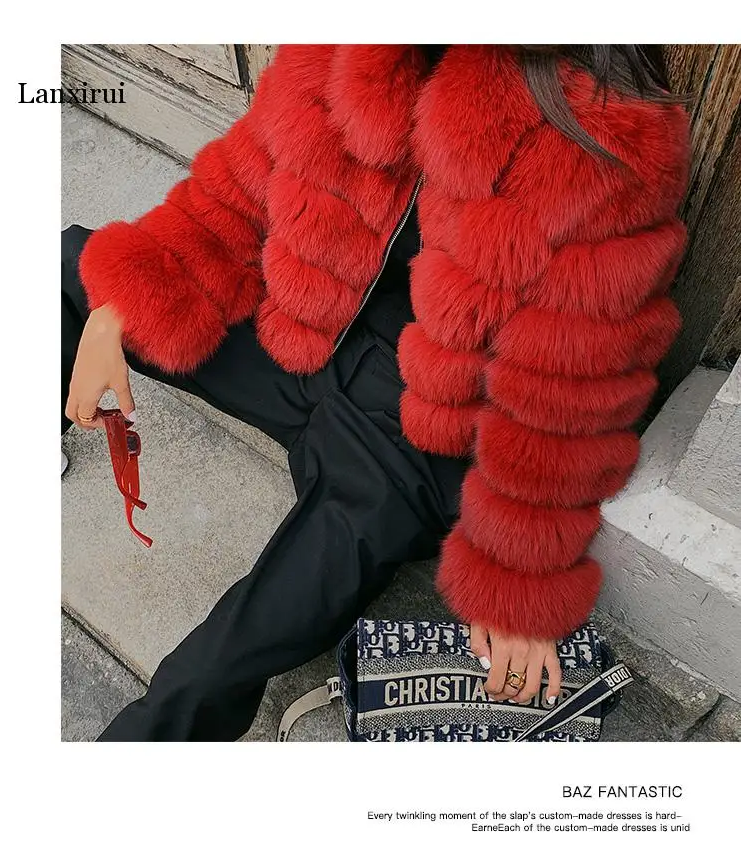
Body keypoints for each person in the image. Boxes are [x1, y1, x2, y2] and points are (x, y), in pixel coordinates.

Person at [61, 44, 690, 741]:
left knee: (217, 663)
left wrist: (518, 581)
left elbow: (569, 389)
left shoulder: (606, 130)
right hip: (304, 332)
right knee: (63, 271)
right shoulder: (353, 43)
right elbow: (239, 188)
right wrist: (124, 302)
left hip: (412, 437)